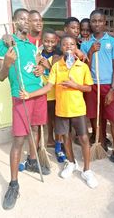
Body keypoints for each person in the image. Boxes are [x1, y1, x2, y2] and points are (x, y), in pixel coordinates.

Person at [20, 35, 98, 189]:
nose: (68, 46)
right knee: (66, 138)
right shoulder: (56, 66)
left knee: (83, 138)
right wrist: (30, 94)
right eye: (65, 44)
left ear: (76, 47)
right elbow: (48, 87)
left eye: (72, 44)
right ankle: (71, 163)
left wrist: (74, 85)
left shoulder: (82, 66)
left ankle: (87, 170)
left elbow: (89, 87)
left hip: (78, 110)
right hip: (61, 110)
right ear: (61, 47)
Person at [0, 8, 50, 210]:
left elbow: (36, 66)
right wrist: (8, 64)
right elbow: (1, 76)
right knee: (18, 139)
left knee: (35, 129)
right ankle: (13, 184)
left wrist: (40, 68)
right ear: (14, 21)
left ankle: (32, 160)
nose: (27, 22)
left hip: (37, 93)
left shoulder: (31, 45)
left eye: (29, 19)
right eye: (22, 19)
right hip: (21, 96)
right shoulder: (6, 44)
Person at [81, 9, 114, 171]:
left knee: (113, 119)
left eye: (100, 21)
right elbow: (84, 68)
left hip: (108, 85)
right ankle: (99, 144)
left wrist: (113, 89)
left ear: (105, 22)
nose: (97, 24)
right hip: (92, 86)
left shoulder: (113, 42)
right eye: (93, 21)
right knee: (95, 118)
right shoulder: (86, 43)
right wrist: (90, 51)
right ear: (90, 23)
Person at [38, 28, 66, 161]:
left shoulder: (59, 56)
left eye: (52, 41)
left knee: (58, 119)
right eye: (46, 41)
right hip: (44, 92)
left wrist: (48, 67)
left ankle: (59, 142)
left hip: (57, 93)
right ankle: (50, 139)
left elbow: (61, 74)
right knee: (47, 118)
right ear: (42, 41)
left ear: (56, 41)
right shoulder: (38, 54)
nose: (49, 44)